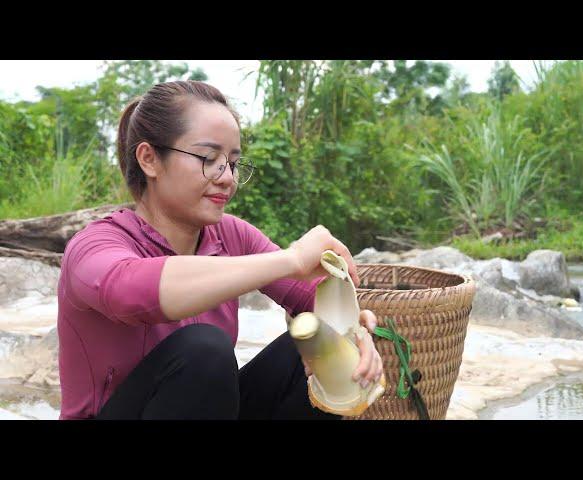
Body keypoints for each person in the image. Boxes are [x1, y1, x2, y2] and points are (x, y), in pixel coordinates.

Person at [56, 80, 383, 420]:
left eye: (233, 163)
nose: (227, 177)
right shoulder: (94, 246)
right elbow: (128, 290)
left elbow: (312, 298)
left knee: (309, 351)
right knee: (204, 351)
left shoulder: (231, 235)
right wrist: (292, 259)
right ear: (149, 159)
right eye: (209, 158)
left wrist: (353, 332)